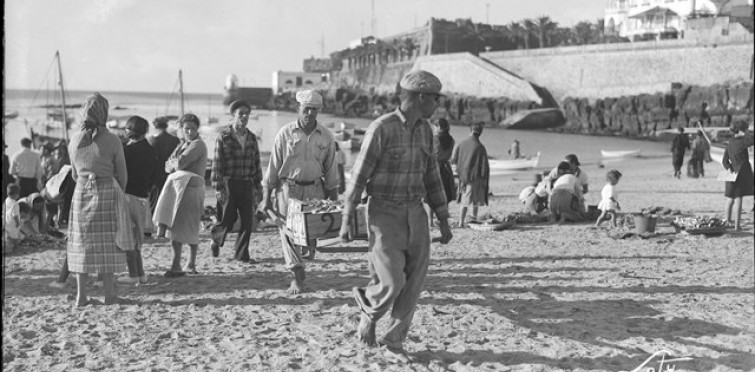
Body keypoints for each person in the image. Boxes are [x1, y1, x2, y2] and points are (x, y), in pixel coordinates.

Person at [339, 70, 453, 357]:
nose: (437, 105)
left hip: (416, 211)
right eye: (435, 99)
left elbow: (432, 178)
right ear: (421, 97)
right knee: (391, 281)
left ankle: (394, 340)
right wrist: (346, 218)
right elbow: (359, 175)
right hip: (384, 213)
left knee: (414, 282)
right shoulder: (382, 128)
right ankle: (369, 308)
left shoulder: (426, 130)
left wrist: (443, 219)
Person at [259, 90, 339, 294]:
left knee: (309, 238)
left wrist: (334, 201)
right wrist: (266, 199)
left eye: (314, 110)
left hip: (315, 190)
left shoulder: (326, 136)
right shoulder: (285, 134)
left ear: (318, 111)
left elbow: (331, 170)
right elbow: (273, 167)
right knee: (289, 233)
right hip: (288, 190)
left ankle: (302, 263)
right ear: (298, 109)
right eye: (306, 109)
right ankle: (296, 276)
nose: (310, 113)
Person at [66, 92, 129, 307]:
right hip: (106, 192)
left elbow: (74, 174)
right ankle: (110, 295)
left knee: (80, 244)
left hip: (81, 192)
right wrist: (120, 195)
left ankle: (81, 296)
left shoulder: (74, 139)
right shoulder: (112, 140)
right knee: (108, 244)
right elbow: (122, 175)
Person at [154, 114, 208, 276]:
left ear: (197, 129)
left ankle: (188, 264)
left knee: (189, 226)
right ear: (182, 130)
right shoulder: (184, 144)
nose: (189, 132)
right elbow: (167, 165)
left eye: (192, 128)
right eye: (186, 129)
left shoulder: (197, 145)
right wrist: (174, 162)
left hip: (190, 189)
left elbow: (180, 163)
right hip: (181, 189)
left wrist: (174, 163)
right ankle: (178, 263)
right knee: (176, 226)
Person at [210, 100, 263, 263]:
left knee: (247, 221)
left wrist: (258, 185)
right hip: (228, 183)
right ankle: (215, 239)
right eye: (240, 113)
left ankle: (241, 256)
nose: (244, 116)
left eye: (247, 113)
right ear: (233, 116)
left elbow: (256, 162)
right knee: (227, 219)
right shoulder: (223, 137)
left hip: (246, 183)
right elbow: (217, 163)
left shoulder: (252, 138)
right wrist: (218, 187)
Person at [117, 116, 158, 285]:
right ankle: (140, 273)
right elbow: (155, 176)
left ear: (129, 131)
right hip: (143, 197)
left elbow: (119, 173)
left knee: (127, 237)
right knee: (137, 238)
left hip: (128, 195)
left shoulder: (127, 151)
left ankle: (133, 274)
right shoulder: (151, 150)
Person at [452, 123, 490, 228]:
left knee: (465, 200)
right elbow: (484, 165)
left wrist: (459, 173)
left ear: (471, 131)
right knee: (475, 200)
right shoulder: (480, 147)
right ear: (480, 133)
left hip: (464, 177)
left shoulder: (462, 144)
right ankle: (473, 218)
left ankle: (461, 222)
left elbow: (455, 160)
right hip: (476, 177)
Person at [147, 116, 181, 232]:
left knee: (155, 200)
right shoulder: (174, 140)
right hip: (169, 172)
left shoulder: (152, 140)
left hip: (156, 173)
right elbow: (175, 158)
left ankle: (153, 227)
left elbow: (151, 159)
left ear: (155, 126)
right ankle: (166, 226)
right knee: (168, 200)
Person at [722, 120, 754, 231]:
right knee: (739, 198)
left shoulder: (730, 142)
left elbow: (724, 161)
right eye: (747, 129)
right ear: (742, 130)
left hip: (731, 173)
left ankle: (728, 221)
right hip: (742, 173)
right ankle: (737, 226)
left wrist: (730, 169)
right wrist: (746, 134)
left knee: (730, 199)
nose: (748, 131)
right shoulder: (743, 141)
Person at [39, 141, 61, 228]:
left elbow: (52, 174)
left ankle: (47, 227)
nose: (40, 150)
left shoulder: (51, 160)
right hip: (43, 186)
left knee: (49, 208)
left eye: (41, 148)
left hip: (48, 186)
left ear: (46, 150)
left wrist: (45, 181)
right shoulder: (43, 159)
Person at [54, 141, 74, 227]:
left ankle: (62, 219)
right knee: (64, 202)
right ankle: (62, 219)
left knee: (64, 202)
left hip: (67, 183)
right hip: (66, 182)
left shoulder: (65, 158)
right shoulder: (63, 158)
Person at [3, 184, 22, 253]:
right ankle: (14, 247)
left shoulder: (6, 200)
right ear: (16, 194)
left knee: (8, 235)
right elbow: (15, 214)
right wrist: (17, 222)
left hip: (7, 220)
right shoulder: (15, 203)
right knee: (15, 236)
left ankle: (8, 245)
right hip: (13, 222)